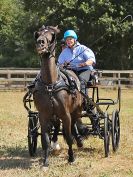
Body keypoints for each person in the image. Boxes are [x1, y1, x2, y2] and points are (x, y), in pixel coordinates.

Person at [58, 30, 96, 95]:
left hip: (85, 70)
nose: (68, 41)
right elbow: (59, 64)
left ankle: (85, 102)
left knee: (81, 81)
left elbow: (91, 60)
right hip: (71, 71)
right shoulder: (64, 52)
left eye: (70, 39)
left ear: (75, 39)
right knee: (65, 81)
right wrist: (64, 64)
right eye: (67, 40)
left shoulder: (82, 48)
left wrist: (84, 64)